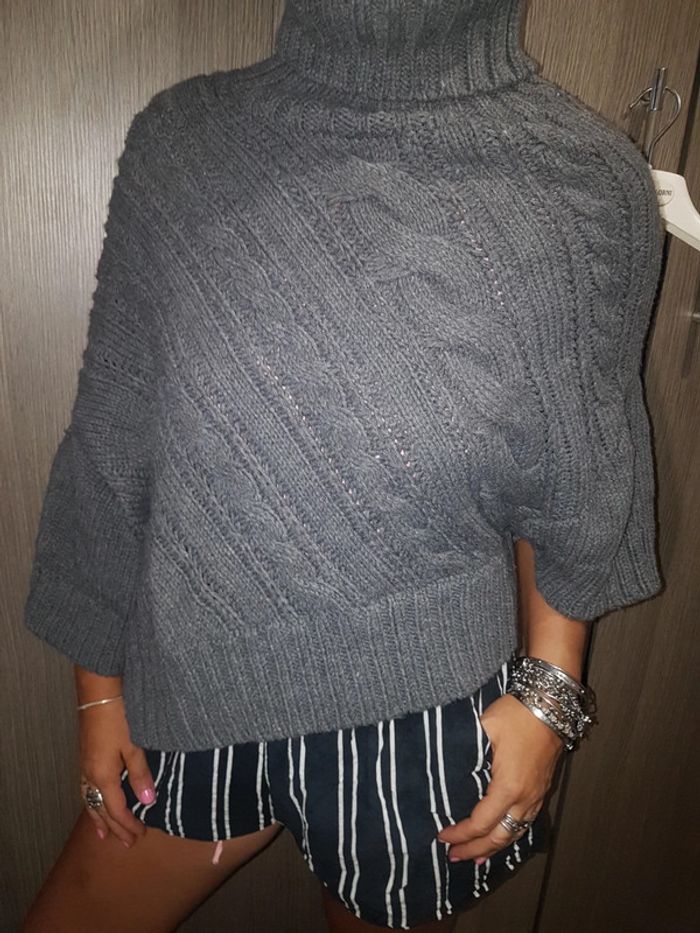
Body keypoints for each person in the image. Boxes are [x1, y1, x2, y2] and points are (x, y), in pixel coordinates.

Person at [20, 0, 663, 930]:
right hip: (192, 681)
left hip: (428, 716)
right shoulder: (183, 143)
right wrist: (98, 692)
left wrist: (549, 701)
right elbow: (114, 435)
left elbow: (577, 481)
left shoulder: (586, 178)